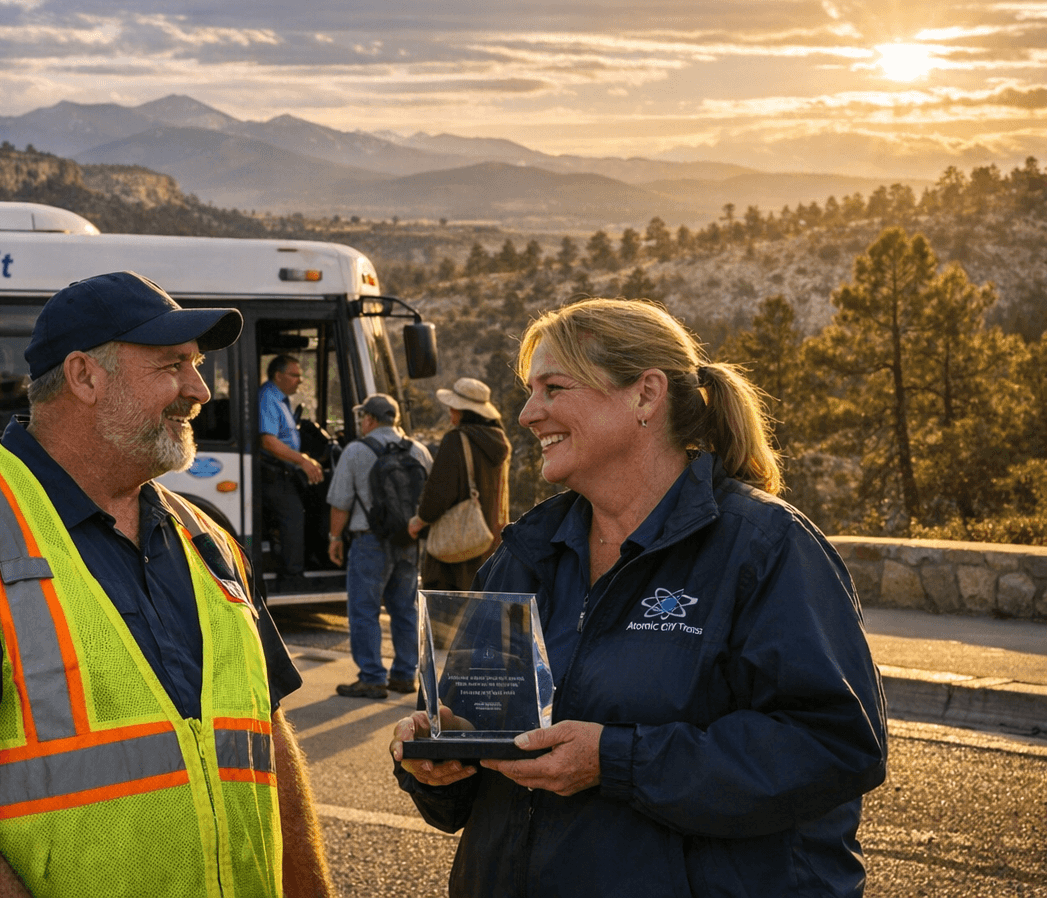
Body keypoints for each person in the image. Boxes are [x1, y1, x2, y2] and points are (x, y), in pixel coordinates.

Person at [0, 271, 335, 898]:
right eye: (172, 365)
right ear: (84, 377)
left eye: (197, 364)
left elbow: (264, 735)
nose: (200, 389)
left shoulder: (204, 536)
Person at [391, 297, 887, 897]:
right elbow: (475, 781)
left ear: (646, 395)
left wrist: (617, 760)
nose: (527, 414)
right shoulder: (523, 554)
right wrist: (437, 767)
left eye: (553, 387)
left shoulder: (765, 548)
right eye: (530, 390)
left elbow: (836, 747)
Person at [326, 393, 432, 699]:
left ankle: (372, 677)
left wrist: (335, 538)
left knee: (364, 609)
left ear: (369, 419)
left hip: (369, 540)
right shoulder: (419, 451)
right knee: (405, 610)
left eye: (363, 418)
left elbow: (340, 502)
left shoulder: (356, 451)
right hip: (409, 542)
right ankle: (404, 675)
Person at [407, 377, 510, 591]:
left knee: (447, 615)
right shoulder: (500, 442)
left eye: (453, 407)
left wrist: (420, 521)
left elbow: (438, 494)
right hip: (488, 544)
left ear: (464, 411)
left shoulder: (456, 440)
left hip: (455, 550)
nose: (450, 411)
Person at [258, 354, 324, 591]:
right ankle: (292, 577)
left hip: (282, 469)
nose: (300, 380)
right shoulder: (268, 398)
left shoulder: (280, 399)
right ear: (278, 375)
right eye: (295, 375)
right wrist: (304, 461)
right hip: (272, 471)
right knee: (293, 517)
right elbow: (269, 442)